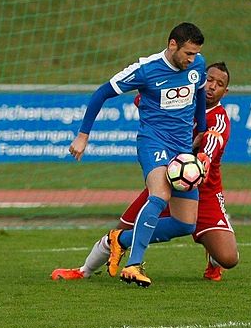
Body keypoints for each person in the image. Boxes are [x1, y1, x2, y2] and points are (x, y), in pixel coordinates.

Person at [52, 62, 239, 282]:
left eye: (219, 84)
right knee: (124, 228)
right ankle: (84, 270)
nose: (211, 86)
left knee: (228, 258)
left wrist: (203, 159)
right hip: (167, 179)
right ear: (198, 78)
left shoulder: (217, 118)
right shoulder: (180, 100)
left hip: (204, 192)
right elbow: (145, 100)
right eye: (209, 79)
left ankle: (213, 261)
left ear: (225, 92)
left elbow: (213, 140)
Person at [65, 22, 208, 287]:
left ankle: (119, 240)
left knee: (185, 224)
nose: (192, 59)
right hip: (153, 142)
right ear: (172, 44)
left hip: (182, 149)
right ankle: (133, 265)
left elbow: (199, 95)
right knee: (160, 195)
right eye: (188, 53)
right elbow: (102, 93)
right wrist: (83, 135)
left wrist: (203, 129)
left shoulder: (198, 65)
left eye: (195, 53)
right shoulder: (146, 69)